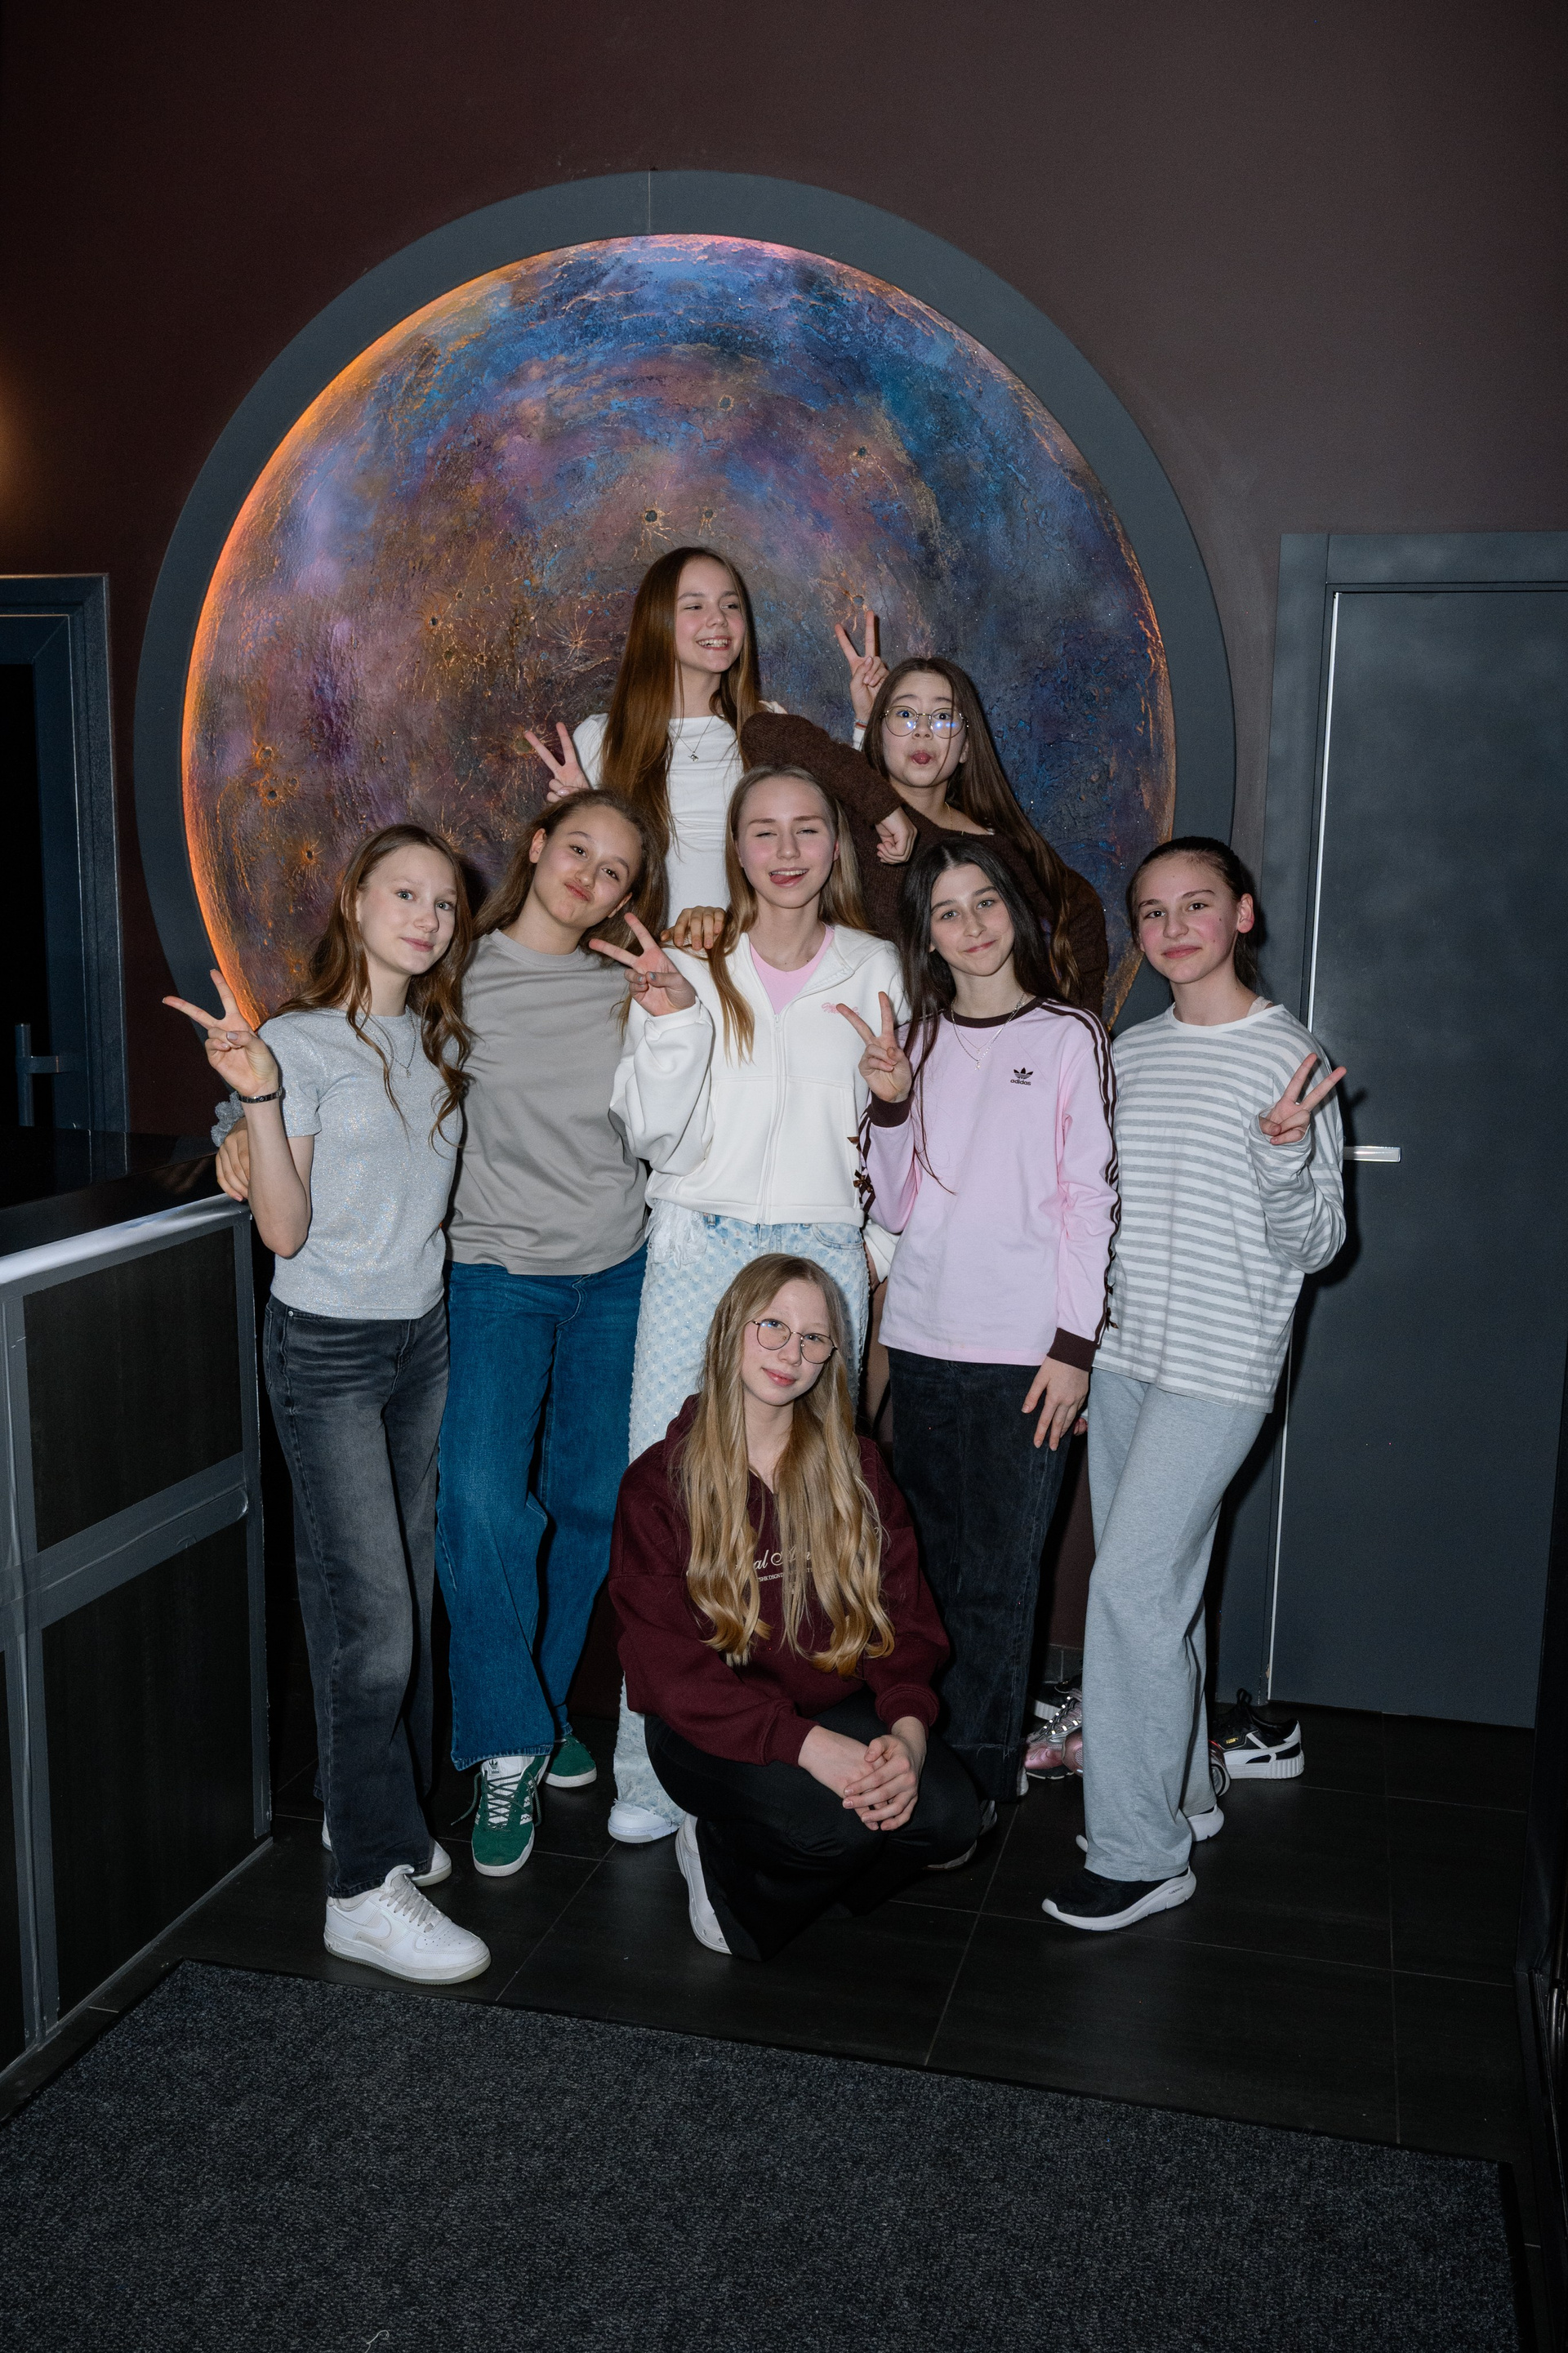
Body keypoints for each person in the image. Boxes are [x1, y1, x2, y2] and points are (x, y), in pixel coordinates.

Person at [168, 826, 491, 1986]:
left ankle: (382, 1819)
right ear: (354, 902)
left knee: (388, 1597)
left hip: (423, 1338)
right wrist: (254, 1103)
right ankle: (361, 1890)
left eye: (444, 903)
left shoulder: (438, 1038)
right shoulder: (298, 1042)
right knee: (376, 1624)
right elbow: (284, 1228)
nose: (427, 917)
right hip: (330, 1350)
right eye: (405, 893)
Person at [593, 764, 905, 1843]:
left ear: (835, 845)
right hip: (699, 1243)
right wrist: (673, 1020)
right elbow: (646, 1132)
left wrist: (873, 1253)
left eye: (806, 829)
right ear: (735, 849)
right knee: (669, 1498)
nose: (786, 850)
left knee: (806, 1509)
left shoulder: (876, 965)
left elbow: (894, 1134)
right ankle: (649, 1772)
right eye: (763, 831)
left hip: (820, 1253)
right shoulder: (689, 960)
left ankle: (772, 1750)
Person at [1043, 836, 1346, 1934]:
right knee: (1159, 1593)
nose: (1174, 929)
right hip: (1128, 1356)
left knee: (1127, 1589)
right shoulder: (1133, 1050)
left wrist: (1283, 1155)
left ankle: (1142, 1854)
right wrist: (1083, 1347)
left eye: (1198, 904)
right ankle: (1183, 1795)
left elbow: (1318, 1244)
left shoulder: (1290, 1057)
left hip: (1219, 1370)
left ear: (1243, 915)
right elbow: (1107, 1215)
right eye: (1154, 911)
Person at [847, 837, 1118, 1812]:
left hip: (1027, 1356)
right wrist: (888, 1103)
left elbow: (1090, 1199)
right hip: (923, 1341)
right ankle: (922, 1764)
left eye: (986, 901)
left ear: (1016, 912)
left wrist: (1074, 1346)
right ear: (926, 936)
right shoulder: (912, 1042)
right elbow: (893, 1204)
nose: (971, 925)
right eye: (948, 911)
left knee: (1002, 1579)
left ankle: (982, 1785)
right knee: (922, 1575)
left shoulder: (1069, 1034)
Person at [609, 1254, 979, 1959]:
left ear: (830, 1358)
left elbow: (907, 1624)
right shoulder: (656, 1484)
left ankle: (813, 1867)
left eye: (813, 1338)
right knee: (834, 1828)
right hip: (707, 1725)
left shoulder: (856, 1470)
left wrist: (906, 1735)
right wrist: (811, 1749)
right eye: (773, 1325)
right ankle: (719, 1859)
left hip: (830, 1704)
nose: (791, 1352)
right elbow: (668, 1672)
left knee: (948, 1816)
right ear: (731, 1330)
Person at [431, 789, 665, 1877]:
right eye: (578, 849)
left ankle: (541, 1700)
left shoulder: (631, 987)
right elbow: (346, 1051)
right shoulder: (455, 974)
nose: (590, 877)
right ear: (535, 846)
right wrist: (238, 1129)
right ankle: (510, 1741)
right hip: (495, 1273)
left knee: (592, 1506)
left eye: (615, 869)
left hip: (617, 1272)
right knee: (482, 1503)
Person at [525, 551, 917, 943]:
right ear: (656, 621)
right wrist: (578, 816)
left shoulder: (769, 726)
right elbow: (569, 886)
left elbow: (843, 834)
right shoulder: (601, 738)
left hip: (752, 960)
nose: (718, 620)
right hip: (640, 962)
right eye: (695, 606)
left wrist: (867, 722)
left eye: (730, 605)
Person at [742, 648, 1107, 1013]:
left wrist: (1079, 1022)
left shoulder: (992, 847)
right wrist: (884, 808)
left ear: (966, 748)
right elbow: (759, 733)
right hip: (825, 1018)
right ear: (878, 733)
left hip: (939, 1039)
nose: (922, 731)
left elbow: (1078, 911)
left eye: (943, 718)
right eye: (904, 714)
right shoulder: (846, 809)